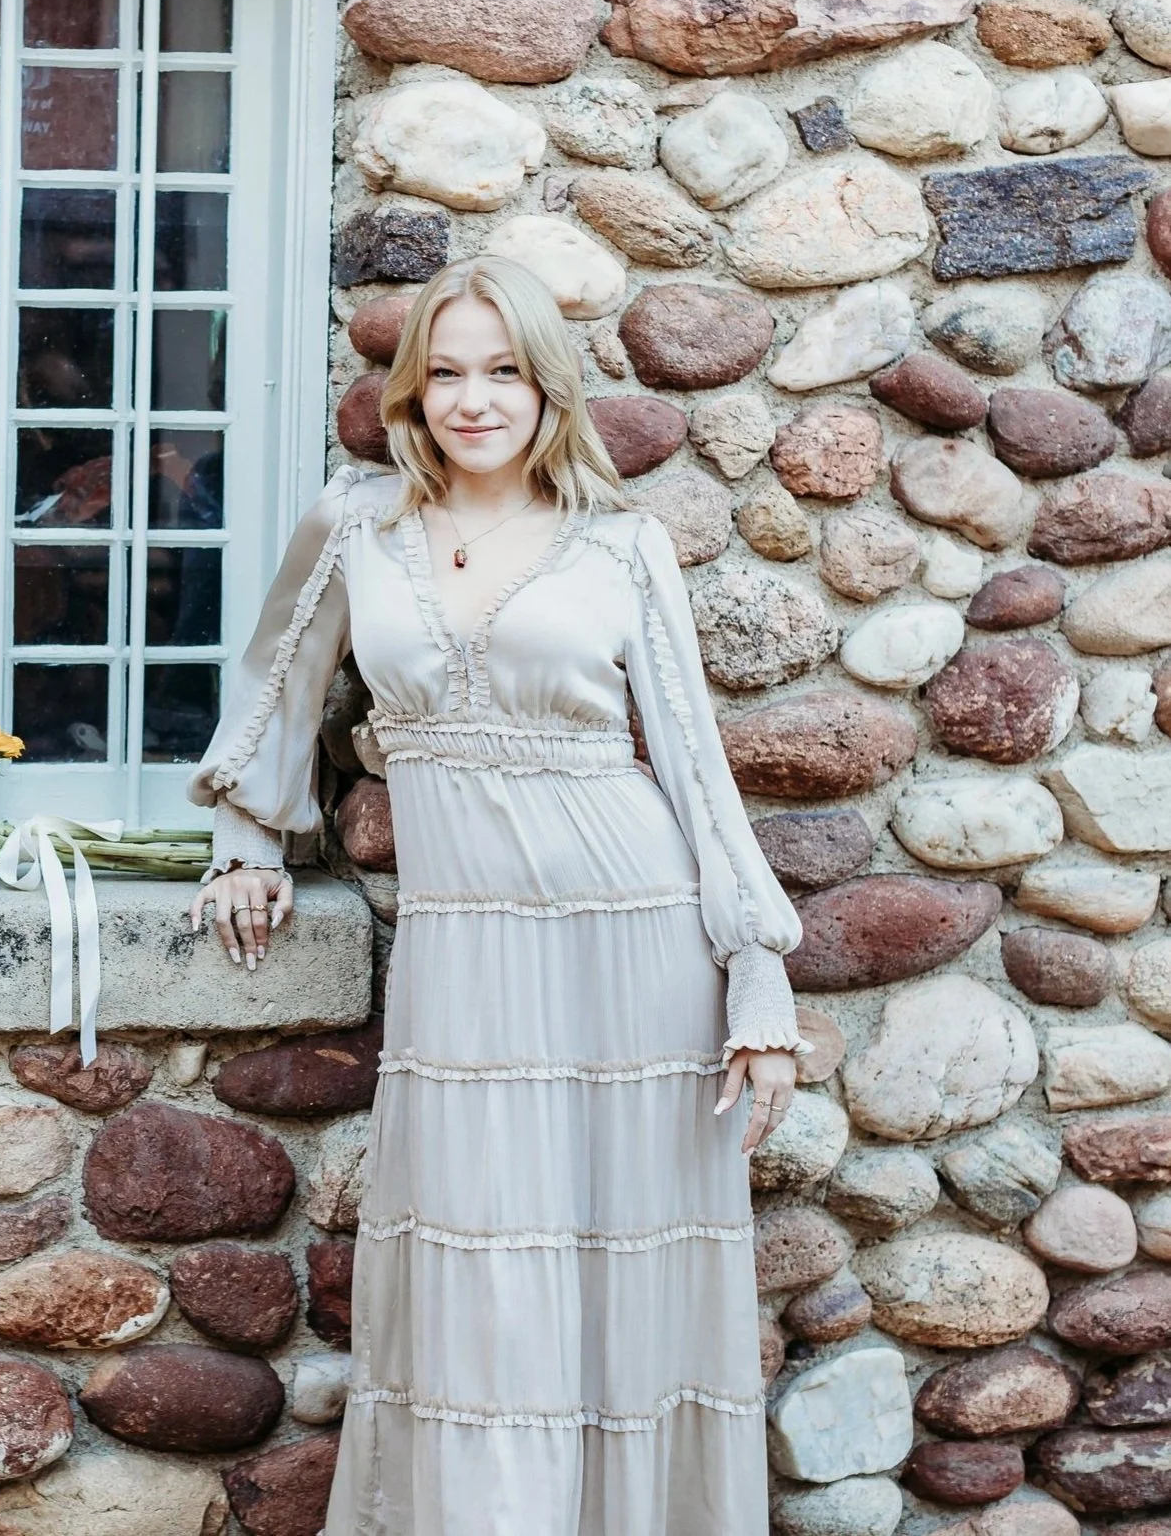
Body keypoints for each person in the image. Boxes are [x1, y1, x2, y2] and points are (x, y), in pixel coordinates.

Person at [185, 254, 809, 1535]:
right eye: (448, 373)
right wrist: (247, 840)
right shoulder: (356, 526)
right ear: (414, 393)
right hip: (467, 955)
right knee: (481, 1279)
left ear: (546, 388)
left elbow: (692, 761)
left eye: (505, 371)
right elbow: (278, 691)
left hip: (637, 945)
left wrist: (755, 974)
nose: (476, 400)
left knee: (625, 1279)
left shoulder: (620, 544)